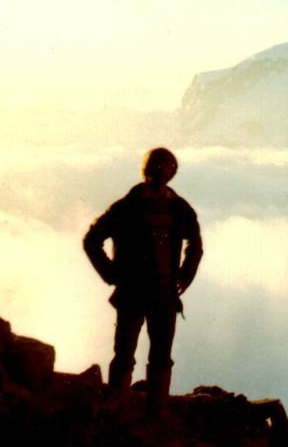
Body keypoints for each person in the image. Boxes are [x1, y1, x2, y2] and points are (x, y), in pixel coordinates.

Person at [83, 147, 203, 417]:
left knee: (150, 356)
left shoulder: (165, 208)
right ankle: (134, 413)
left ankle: (142, 413)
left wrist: (184, 277)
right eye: (157, 170)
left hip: (156, 294)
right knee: (130, 354)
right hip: (140, 293)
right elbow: (91, 241)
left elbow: (195, 245)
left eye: (165, 170)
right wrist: (112, 274)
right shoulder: (131, 207)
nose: (160, 176)